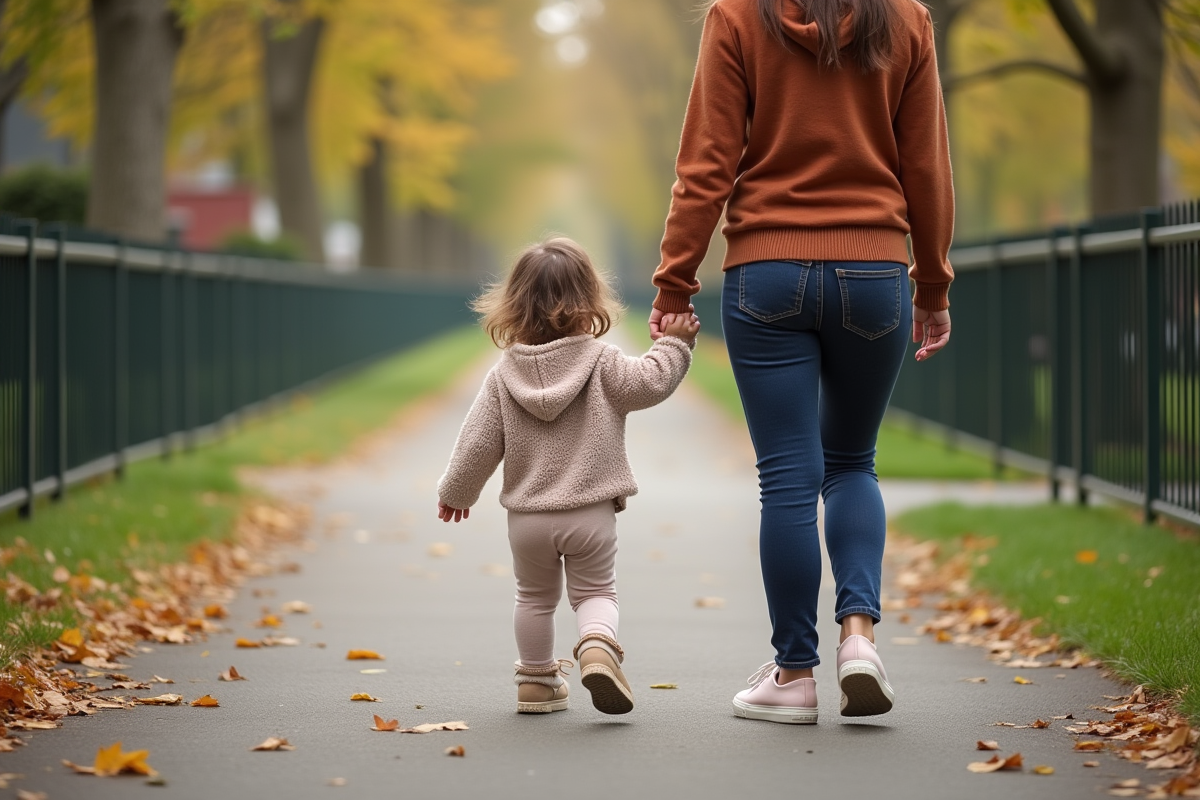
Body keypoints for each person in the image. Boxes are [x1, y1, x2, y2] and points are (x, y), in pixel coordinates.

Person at [649, 0, 954, 724]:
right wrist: (932, 284)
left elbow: (707, 162)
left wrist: (674, 282)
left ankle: (794, 675)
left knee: (788, 475)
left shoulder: (736, 15)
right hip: (875, 275)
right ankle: (859, 640)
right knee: (852, 463)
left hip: (767, 274)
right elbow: (927, 162)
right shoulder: (906, 18)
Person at [437, 236, 700, 716]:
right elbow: (651, 382)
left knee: (533, 598)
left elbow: (477, 444)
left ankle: (536, 682)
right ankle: (597, 646)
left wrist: (456, 492)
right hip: (590, 513)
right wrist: (676, 344)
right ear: (589, 300)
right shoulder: (602, 361)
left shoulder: (502, 377)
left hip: (528, 519)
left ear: (512, 304)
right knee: (596, 593)